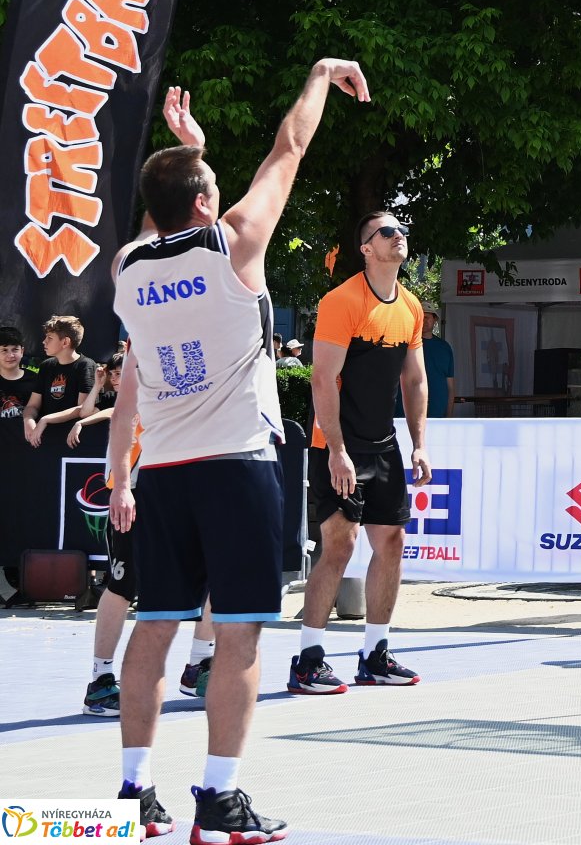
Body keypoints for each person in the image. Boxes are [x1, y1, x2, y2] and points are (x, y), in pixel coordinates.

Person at [108, 60, 370, 840]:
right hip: (236, 466)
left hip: (163, 472)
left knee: (152, 631)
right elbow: (289, 146)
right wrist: (320, 73)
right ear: (203, 203)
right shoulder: (236, 246)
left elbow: (170, 222)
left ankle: (130, 794)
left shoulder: (126, 269)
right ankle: (219, 800)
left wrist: (191, 158)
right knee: (242, 634)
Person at [292, 209, 430, 695]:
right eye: (388, 232)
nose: (400, 237)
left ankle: (375, 654)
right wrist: (335, 449)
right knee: (340, 545)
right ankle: (308, 659)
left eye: (402, 231)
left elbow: (414, 379)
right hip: (337, 444)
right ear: (366, 248)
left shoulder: (411, 306)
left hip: (384, 443)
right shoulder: (341, 300)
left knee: (390, 542)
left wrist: (419, 445)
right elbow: (323, 378)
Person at [68, 352, 219, 715]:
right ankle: (101, 682)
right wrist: (122, 488)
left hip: (182, 495)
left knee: (219, 575)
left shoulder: (195, 372)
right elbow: (120, 420)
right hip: (136, 495)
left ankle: (199, 665)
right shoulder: (143, 373)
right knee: (123, 586)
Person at [21, 314, 96, 448]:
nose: (44, 342)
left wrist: (46, 419)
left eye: (49, 338)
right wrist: (28, 420)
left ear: (65, 342)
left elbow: (83, 409)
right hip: (44, 439)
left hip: (71, 440)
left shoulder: (85, 365)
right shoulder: (46, 366)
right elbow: (33, 405)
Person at [0, 325, 31, 593]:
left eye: (15, 349)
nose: (11, 355)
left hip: (27, 465)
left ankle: (22, 575)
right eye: (4, 350)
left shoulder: (34, 383)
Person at [422, 311, 455, 417]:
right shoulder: (407, 345)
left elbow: (450, 386)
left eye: (427, 317)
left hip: (438, 414)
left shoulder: (444, 347)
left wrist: (449, 417)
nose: (424, 320)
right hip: (410, 415)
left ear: (435, 319)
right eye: (421, 317)